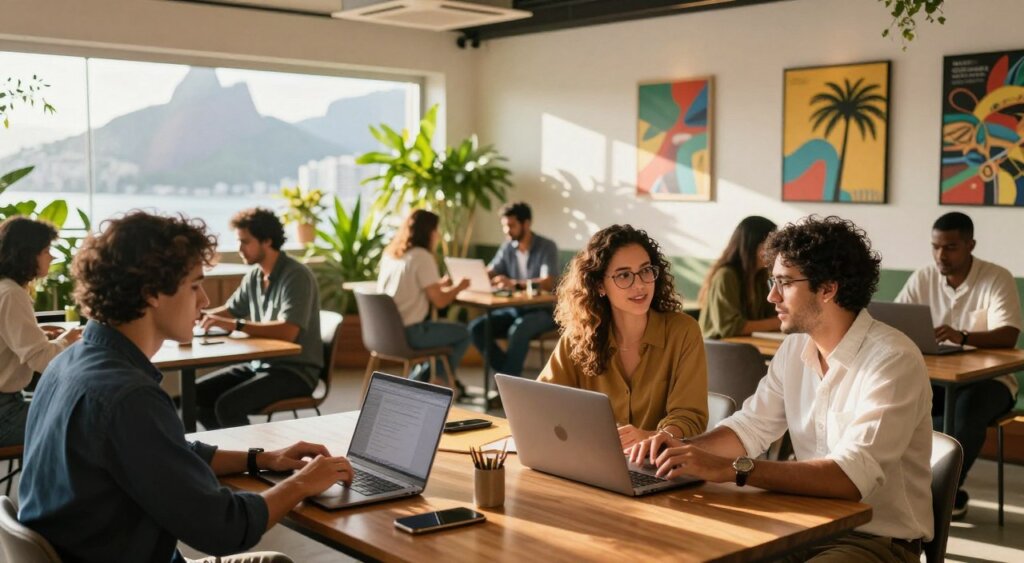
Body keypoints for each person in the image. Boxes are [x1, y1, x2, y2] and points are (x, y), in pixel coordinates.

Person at [18, 211, 352, 563]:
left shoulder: (69, 363)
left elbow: (167, 453)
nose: (205, 300)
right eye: (194, 285)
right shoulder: (128, 397)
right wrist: (303, 484)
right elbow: (225, 528)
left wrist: (263, 459)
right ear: (151, 294)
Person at [630, 216, 932, 562]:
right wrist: (679, 452)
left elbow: (851, 478)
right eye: (772, 281)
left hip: (875, 540)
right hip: (805, 524)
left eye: (784, 283)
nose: (771, 296)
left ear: (828, 288)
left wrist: (732, 469)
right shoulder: (793, 349)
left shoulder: (893, 359)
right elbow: (750, 428)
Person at [895, 211, 1021, 519]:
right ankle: (912, 490)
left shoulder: (996, 277)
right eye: (936, 247)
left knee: (964, 414)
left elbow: (1009, 334)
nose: (941, 255)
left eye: (950, 247)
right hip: (938, 378)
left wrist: (963, 336)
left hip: (992, 381)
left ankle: (943, 494)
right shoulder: (924, 277)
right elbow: (895, 322)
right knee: (901, 403)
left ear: (970, 245)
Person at [539, 224, 708, 450]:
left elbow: (689, 415)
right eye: (624, 275)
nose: (639, 285)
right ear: (600, 285)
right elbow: (543, 401)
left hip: (659, 462)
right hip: (591, 457)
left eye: (646, 270)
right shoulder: (579, 336)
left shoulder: (683, 332)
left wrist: (656, 437)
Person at [197, 208, 322, 429]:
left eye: (245, 242)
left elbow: (289, 331)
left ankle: (250, 460)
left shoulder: (296, 276)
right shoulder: (254, 276)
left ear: (267, 241)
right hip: (260, 365)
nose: (239, 249)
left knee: (228, 406)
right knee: (196, 394)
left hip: (295, 372)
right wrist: (196, 316)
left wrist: (236, 325)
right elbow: (231, 310)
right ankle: (224, 456)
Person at [0, 216, 83, 447]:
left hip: (9, 401)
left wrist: (38, 332)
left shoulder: (4, 288)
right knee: (83, 422)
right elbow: (43, 361)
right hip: (4, 413)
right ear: (27, 254)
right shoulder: (11, 294)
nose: (52, 256)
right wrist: (67, 340)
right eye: (46, 250)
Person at [377, 209, 471, 387]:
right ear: (430, 232)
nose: (438, 235)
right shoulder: (422, 256)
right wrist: (458, 287)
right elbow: (440, 301)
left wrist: (439, 284)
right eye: (436, 231)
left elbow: (410, 288)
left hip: (384, 334)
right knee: (464, 333)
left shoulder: (391, 255)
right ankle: (438, 381)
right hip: (410, 333)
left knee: (441, 336)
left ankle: (418, 381)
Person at [469, 202, 560, 377]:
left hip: (543, 311)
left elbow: (548, 282)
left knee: (518, 330)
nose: (506, 230)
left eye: (511, 225)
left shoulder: (547, 246)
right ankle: (508, 376)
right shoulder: (508, 248)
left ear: (526, 224)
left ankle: (507, 383)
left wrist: (514, 284)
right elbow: (491, 270)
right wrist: (474, 275)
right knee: (477, 328)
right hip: (514, 310)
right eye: (504, 226)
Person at [698, 215, 780, 338]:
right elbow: (729, 327)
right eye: (770, 244)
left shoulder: (762, 275)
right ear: (751, 245)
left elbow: (773, 313)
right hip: (719, 350)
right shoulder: (726, 275)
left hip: (748, 346)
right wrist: (778, 322)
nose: (776, 250)